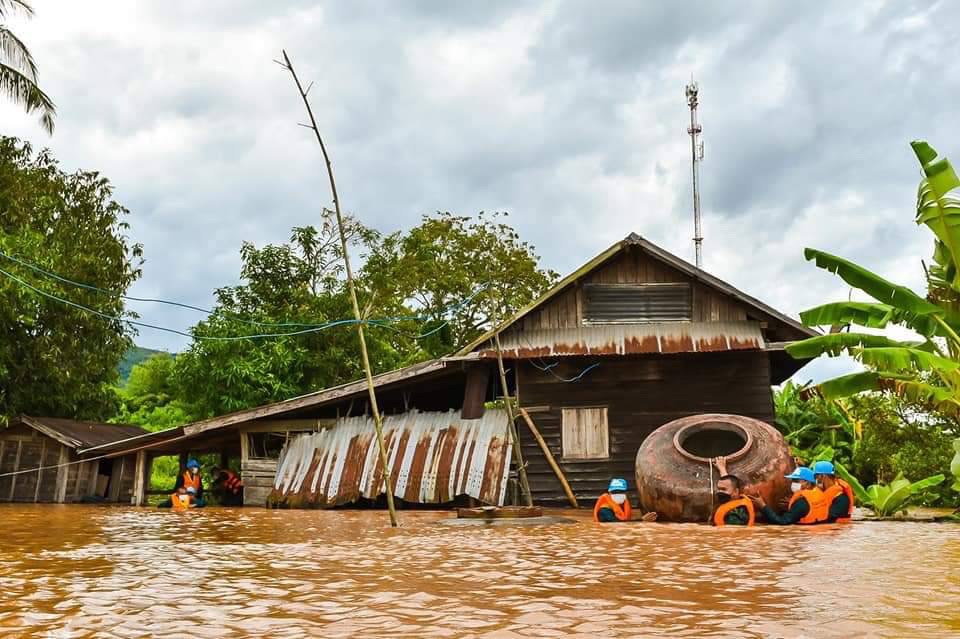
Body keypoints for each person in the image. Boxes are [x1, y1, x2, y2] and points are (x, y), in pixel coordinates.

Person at [748, 467, 827, 525]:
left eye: (796, 481)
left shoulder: (802, 503)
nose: (793, 483)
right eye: (792, 480)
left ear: (808, 483)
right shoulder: (819, 493)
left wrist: (763, 506)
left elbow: (781, 521)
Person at [711, 457, 754, 526]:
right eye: (718, 489)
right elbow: (729, 485)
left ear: (736, 492)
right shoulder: (737, 499)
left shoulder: (734, 516)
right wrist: (722, 469)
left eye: (723, 489)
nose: (719, 492)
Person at [593, 478, 658, 523]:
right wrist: (642, 520)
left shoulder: (623, 506)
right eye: (615, 492)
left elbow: (625, 521)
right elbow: (617, 523)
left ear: (626, 493)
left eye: (621, 491)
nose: (618, 494)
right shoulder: (604, 511)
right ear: (609, 493)